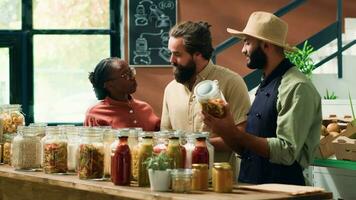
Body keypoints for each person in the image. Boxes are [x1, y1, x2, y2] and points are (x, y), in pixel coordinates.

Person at [203, 11, 322, 185]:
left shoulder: (297, 87)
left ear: (266, 45)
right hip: (253, 187)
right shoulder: (267, 82)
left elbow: (287, 151)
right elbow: (248, 151)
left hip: (283, 191)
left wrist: (236, 133)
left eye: (247, 42)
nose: (243, 50)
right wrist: (225, 130)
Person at [161, 21, 251, 170]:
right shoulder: (170, 90)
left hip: (219, 183)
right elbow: (166, 137)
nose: (171, 60)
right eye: (170, 53)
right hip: (179, 180)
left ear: (198, 54)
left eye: (177, 54)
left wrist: (194, 144)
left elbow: (242, 138)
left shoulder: (232, 82)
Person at [84, 57, 160, 131]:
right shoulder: (94, 114)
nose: (132, 77)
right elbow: (90, 143)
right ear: (109, 84)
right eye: (125, 75)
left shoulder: (145, 108)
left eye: (131, 72)